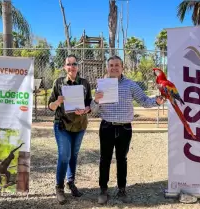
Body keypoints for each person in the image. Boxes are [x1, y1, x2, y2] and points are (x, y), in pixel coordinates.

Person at [91, 55, 165, 204]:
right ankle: (103, 190)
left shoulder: (131, 85)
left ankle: (122, 190)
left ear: (122, 67)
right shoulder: (102, 85)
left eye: (117, 65)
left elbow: (144, 101)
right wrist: (96, 100)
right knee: (104, 159)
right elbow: (93, 110)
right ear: (107, 68)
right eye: (111, 65)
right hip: (107, 127)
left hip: (125, 128)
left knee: (122, 159)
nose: (114, 67)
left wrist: (156, 101)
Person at [48, 55, 92, 204]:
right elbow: (50, 106)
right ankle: (59, 188)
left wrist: (86, 110)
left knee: (73, 154)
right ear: (64, 67)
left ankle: (71, 182)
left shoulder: (85, 83)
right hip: (62, 125)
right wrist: (57, 101)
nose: (72, 67)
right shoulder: (59, 83)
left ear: (78, 66)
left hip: (79, 125)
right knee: (64, 155)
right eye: (69, 64)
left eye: (74, 64)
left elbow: (89, 104)